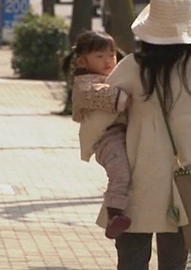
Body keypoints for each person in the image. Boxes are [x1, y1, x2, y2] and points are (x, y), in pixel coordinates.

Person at [99, 0, 191, 269]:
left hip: (137, 175)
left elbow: (103, 109)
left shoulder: (131, 67)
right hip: (185, 174)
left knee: (132, 260)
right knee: (175, 261)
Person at [63, 30, 133, 240]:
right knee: (120, 172)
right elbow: (98, 95)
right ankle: (114, 214)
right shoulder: (84, 83)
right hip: (106, 138)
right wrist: (125, 97)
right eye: (99, 56)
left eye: (111, 55)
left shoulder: (112, 76)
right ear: (83, 61)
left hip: (121, 133)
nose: (108, 61)